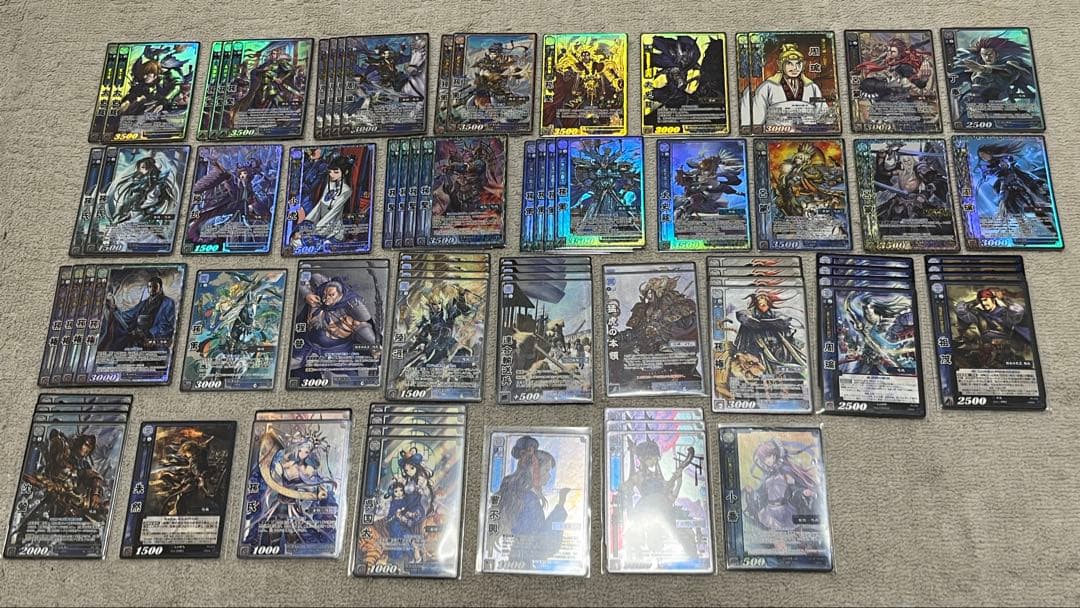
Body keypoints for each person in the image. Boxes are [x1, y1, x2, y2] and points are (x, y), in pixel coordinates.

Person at [101, 276, 176, 351]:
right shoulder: (144, 303)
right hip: (139, 340)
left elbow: (166, 325)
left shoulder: (168, 302)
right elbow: (129, 316)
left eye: (155, 287)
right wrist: (114, 307)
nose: (152, 289)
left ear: (160, 288)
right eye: (150, 287)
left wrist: (149, 333)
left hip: (155, 342)